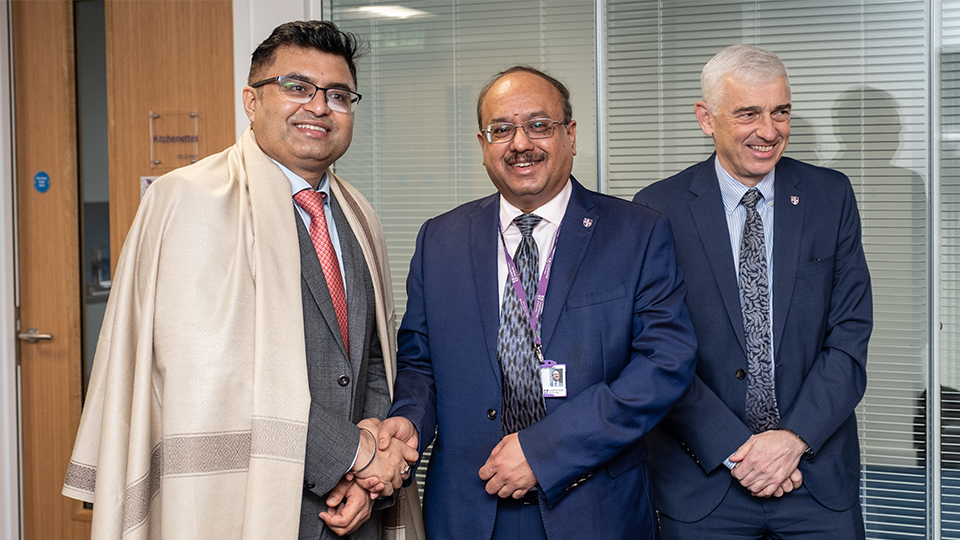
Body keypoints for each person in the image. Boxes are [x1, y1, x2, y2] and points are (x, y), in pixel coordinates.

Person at [62, 20, 420, 540]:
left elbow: (369, 355)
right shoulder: (191, 201)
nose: (319, 107)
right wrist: (354, 454)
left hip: (351, 505)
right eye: (298, 87)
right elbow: (215, 373)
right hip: (240, 500)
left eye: (338, 95)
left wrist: (369, 452)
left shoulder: (358, 214)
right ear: (252, 101)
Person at [377, 65, 697, 539]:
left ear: (570, 135)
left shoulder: (637, 233)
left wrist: (546, 450)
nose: (520, 143)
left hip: (591, 506)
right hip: (468, 509)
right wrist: (409, 420)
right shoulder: (439, 239)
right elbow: (421, 364)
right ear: (483, 145)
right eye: (501, 129)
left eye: (538, 125)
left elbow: (664, 364)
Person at [634, 44, 873, 539]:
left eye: (780, 111)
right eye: (748, 113)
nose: (769, 131)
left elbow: (849, 335)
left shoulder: (831, 196)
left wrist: (790, 441)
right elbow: (658, 351)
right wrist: (738, 450)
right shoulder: (657, 209)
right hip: (703, 483)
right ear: (706, 118)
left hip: (815, 477)